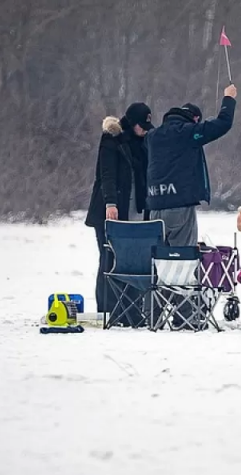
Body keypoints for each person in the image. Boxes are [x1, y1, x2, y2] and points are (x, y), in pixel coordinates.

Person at [145, 84, 237, 246]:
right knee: (182, 260)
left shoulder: (153, 136)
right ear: (195, 119)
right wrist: (229, 98)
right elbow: (223, 124)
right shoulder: (188, 132)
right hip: (179, 207)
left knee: (160, 260)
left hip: (154, 207)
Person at [85, 102, 154, 317]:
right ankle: (107, 308)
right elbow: (107, 174)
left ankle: (131, 310)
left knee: (133, 260)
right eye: (141, 125)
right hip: (110, 211)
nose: (144, 130)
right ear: (132, 123)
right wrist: (110, 203)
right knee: (109, 258)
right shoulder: (112, 139)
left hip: (134, 210)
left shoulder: (143, 144)